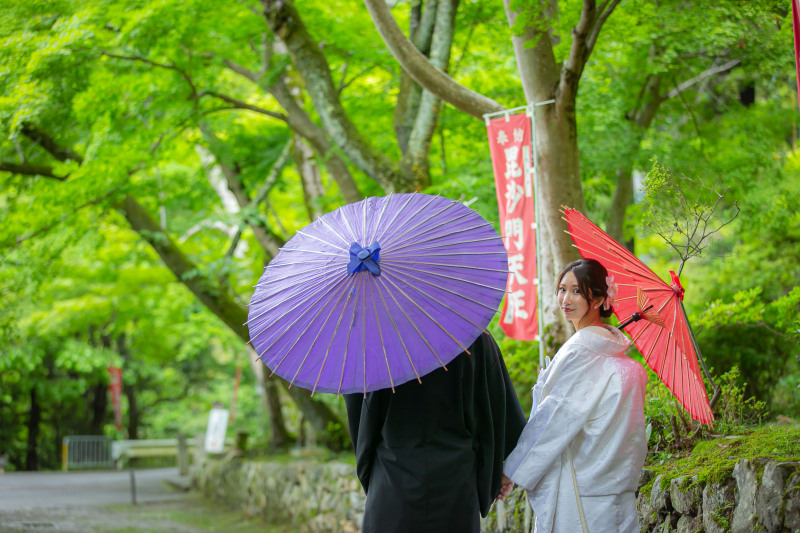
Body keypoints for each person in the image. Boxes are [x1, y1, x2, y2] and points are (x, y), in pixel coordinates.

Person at [502, 258, 648, 533]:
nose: (565, 299)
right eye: (562, 289)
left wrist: (510, 470)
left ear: (598, 299)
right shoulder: (620, 359)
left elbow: (554, 420)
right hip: (614, 490)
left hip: (580, 491)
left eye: (577, 291)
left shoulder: (581, 351)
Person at [344, 331, 526, 533]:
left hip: (391, 483)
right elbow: (497, 412)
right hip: (456, 487)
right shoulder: (470, 335)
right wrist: (500, 475)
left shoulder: (373, 342)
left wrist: (371, 475)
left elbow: (359, 419)